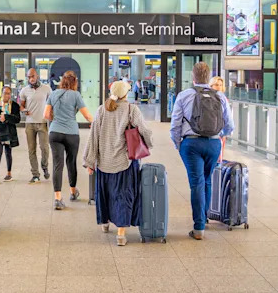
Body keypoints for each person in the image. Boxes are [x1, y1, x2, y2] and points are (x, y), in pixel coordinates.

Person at [83, 80, 153, 246]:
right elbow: (143, 130)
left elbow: (93, 136)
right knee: (123, 196)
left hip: (104, 162)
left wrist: (90, 162)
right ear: (125, 94)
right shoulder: (131, 109)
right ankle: (121, 234)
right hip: (124, 162)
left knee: (105, 194)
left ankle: (105, 224)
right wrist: (149, 143)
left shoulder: (102, 109)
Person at [170, 62, 234, 240]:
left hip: (191, 145)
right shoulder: (220, 97)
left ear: (193, 77)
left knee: (196, 183)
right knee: (207, 181)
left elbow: (175, 124)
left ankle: (198, 228)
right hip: (214, 144)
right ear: (208, 78)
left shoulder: (184, 95)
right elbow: (229, 126)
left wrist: (179, 145)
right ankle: (203, 218)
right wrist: (218, 136)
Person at [44, 71, 93, 209]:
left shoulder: (53, 94)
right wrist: (96, 123)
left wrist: (57, 120)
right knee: (71, 163)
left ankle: (58, 199)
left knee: (57, 165)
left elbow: (46, 114)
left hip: (55, 133)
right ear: (74, 82)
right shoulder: (76, 95)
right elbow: (87, 116)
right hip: (71, 133)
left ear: (62, 81)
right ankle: (72, 192)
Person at [18, 68, 52, 183]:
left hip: (43, 123)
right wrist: (24, 110)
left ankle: (45, 166)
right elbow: (21, 106)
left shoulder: (47, 89)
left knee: (44, 148)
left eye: (32, 76)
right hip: (29, 124)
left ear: (37, 76)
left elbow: (51, 104)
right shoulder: (24, 90)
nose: (30, 79)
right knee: (31, 150)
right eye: (28, 77)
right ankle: (35, 174)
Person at [0, 86, 20, 182]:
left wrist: (6, 117)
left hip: (9, 133)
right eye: (5, 93)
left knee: (8, 153)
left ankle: (9, 174)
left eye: (8, 93)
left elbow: (17, 119)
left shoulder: (14, 105)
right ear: (1, 94)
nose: (6, 95)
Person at [209, 76, 228, 161]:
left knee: (219, 157)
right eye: (216, 84)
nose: (219, 87)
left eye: (220, 85)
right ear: (211, 86)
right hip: (213, 130)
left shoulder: (224, 99)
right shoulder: (208, 98)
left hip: (220, 131)